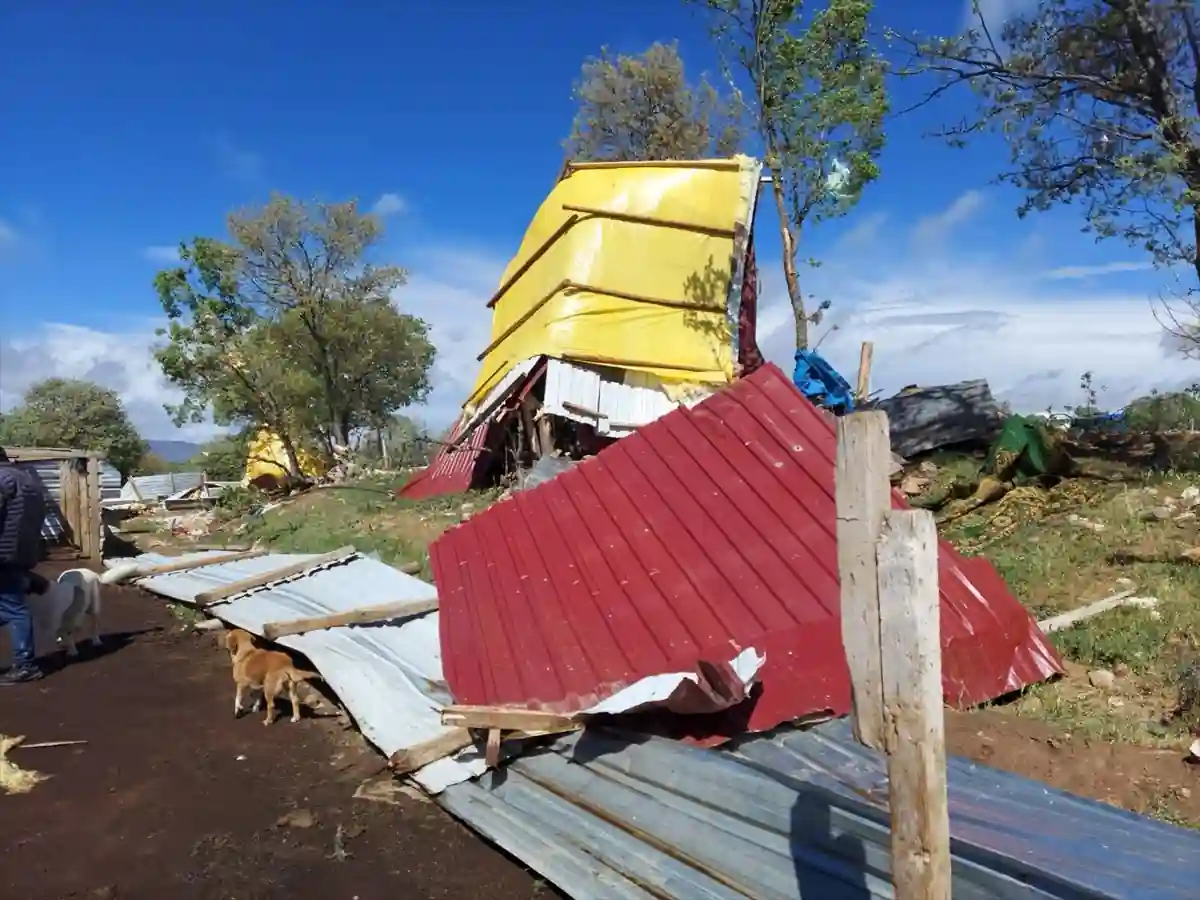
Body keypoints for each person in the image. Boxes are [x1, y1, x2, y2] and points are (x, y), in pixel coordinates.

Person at [0, 447, 47, 683]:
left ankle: (26, 665)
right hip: (22, 552)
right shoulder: (27, 478)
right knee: (6, 604)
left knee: (13, 608)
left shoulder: (1, 480)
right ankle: (28, 581)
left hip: (3, 556)